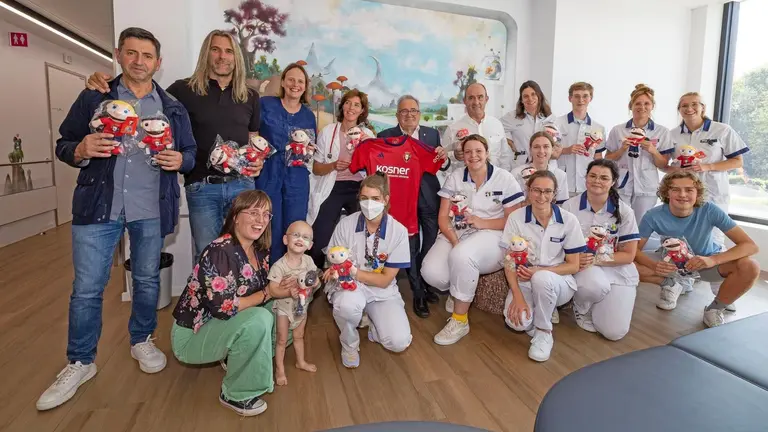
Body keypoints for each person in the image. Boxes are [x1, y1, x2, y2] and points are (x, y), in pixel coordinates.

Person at [37, 27, 196, 411]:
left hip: (151, 210)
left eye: (147, 55)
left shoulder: (171, 107)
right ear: (118, 55)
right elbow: (64, 143)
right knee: (88, 288)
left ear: (158, 63)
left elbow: (190, 153)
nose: (139, 61)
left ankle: (141, 339)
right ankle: (80, 362)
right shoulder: (96, 95)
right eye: (131, 53)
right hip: (98, 207)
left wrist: (181, 161)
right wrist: (80, 149)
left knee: (145, 280)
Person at [86, 30, 263, 262]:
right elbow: (143, 99)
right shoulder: (182, 90)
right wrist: (104, 82)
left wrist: (256, 160)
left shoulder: (249, 95)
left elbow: (254, 139)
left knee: (245, 252)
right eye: (216, 49)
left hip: (243, 187)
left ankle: (243, 299)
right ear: (206, 54)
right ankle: (207, 299)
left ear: (236, 57)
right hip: (202, 188)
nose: (222, 56)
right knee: (206, 256)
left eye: (229, 51)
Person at [171, 190, 294, 416]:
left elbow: (258, 292)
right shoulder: (220, 251)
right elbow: (224, 307)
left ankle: (236, 357)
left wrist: (286, 287)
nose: (261, 220)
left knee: (285, 312)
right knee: (261, 318)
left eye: (266, 214)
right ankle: (235, 394)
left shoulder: (259, 250)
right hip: (193, 334)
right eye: (254, 212)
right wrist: (269, 292)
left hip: (220, 324)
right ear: (236, 216)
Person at [421, 134, 525, 345]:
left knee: (463, 256)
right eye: (468, 152)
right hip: (457, 233)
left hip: (492, 234)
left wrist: (482, 222)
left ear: (487, 153)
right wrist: (454, 241)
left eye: (478, 151)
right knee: (431, 273)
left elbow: (513, 221)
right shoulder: (456, 177)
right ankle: (458, 291)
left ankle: (460, 320)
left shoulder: (504, 178)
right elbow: (443, 218)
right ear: (463, 156)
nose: (473, 155)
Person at [634, 171, 760, 327]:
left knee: (750, 266)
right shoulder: (653, 215)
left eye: (689, 190)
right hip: (672, 264)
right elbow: (633, 250)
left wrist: (712, 260)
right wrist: (654, 266)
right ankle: (670, 284)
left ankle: (715, 309)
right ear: (667, 192)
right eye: (675, 189)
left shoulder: (709, 210)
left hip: (707, 263)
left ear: (697, 193)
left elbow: (750, 245)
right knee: (627, 265)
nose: (683, 195)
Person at [348, 133, 445, 317]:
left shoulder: (415, 147)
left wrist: (443, 153)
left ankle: (418, 295)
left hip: (407, 220)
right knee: (370, 258)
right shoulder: (369, 147)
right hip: (376, 218)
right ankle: (365, 302)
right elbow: (354, 166)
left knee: (412, 261)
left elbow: (436, 163)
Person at [323, 173, 413, 368]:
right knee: (347, 306)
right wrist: (336, 271)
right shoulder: (346, 225)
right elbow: (332, 262)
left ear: (386, 199)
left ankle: (375, 323)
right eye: (364, 198)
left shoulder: (399, 232)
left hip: (381, 289)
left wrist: (353, 271)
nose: (369, 204)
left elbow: (384, 280)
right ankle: (349, 344)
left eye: (375, 199)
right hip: (350, 286)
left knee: (399, 342)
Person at [501, 171, 585, 362]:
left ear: (555, 194)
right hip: (524, 282)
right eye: (536, 190)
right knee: (518, 322)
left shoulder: (569, 220)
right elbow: (508, 261)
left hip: (558, 281)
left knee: (542, 278)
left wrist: (541, 271)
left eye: (547, 191)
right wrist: (517, 296)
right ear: (528, 191)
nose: (541, 196)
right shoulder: (515, 217)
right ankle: (538, 314)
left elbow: (573, 266)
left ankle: (544, 331)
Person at [377, 95, 448, 316]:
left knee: (430, 242)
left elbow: (441, 165)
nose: (409, 114)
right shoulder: (385, 136)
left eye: (414, 110)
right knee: (409, 246)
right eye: (404, 111)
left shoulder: (432, 134)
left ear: (419, 113)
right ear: (397, 114)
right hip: (401, 201)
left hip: (429, 197)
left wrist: (443, 158)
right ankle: (417, 292)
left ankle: (426, 282)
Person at [562, 160, 640, 340]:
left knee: (614, 333)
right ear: (586, 178)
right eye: (593, 176)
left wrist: (596, 258)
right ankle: (581, 306)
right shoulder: (569, 207)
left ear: (613, 182)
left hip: (616, 267)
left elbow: (629, 255)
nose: (597, 181)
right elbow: (560, 245)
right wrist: (578, 259)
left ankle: (597, 304)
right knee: (595, 286)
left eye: (604, 178)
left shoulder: (625, 211)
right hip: (584, 268)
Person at [660, 92, 749, 246]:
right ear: (679, 109)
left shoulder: (722, 130)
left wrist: (708, 166)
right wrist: (676, 170)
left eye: (694, 104)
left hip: (712, 192)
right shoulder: (672, 134)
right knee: (677, 237)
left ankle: (713, 268)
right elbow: (664, 165)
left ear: (703, 107)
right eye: (684, 105)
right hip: (682, 194)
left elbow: (737, 162)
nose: (689, 108)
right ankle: (677, 268)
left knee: (714, 237)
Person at [257, 63, 317, 262]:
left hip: (297, 178)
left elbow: (309, 146)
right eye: (291, 79)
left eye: (300, 81)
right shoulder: (265, 105)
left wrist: (309, 149)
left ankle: (292, 279)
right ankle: (268, 279)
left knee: (295, 229)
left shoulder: (308, 116)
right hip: (268, 174)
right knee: (267, 225)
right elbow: (252, 135)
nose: (295, 85)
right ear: (283, 82)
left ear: (305, 86)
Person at [308, 89, 374, 268]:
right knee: (320, 231)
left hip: (358, 188)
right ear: (342, 106)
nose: (351, 108)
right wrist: (333, 165)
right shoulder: (328, 132)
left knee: (360, 232)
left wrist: (366, 149)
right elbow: (316, 168)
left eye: (357, 105)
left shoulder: (367, 135)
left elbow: (373, 171)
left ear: (362, 111)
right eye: (348, 103)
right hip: (333, 185)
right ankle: (314, 277)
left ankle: (356, 274)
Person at [602, 84, 672, 221]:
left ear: (652, 106)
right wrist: (622, 149)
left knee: (641, 224)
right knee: (619, 221)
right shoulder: (618, 130)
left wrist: (653, 151)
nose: (642, 107)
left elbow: (663, 164)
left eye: (647, 103)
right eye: (638, 103)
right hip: (622, 185)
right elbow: (608, 159)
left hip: (646, 186)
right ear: (631, 106)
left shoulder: (662, 131)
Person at [269, 220, 320, 386]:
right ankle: (280, 370)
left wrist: (314, 284)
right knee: (282, 340)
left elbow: (316, 282)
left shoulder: (309, 262)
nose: (300, 239)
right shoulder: (279, 266)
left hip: (301, 308)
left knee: (299, 336)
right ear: (285, 240)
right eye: (296, 235)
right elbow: (273, 290)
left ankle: (301, 362)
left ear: (310, 245)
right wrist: (287, 292)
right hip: (284, 309)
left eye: (305, 237)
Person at [554, 82, 606, 197]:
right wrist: (567, 150)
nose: (580, 100)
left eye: (585, 96)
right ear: (570, 98)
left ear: (590, 98)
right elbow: (549, 153)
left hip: (586, 184)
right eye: (576, 96)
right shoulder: (556, 124)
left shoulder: (599, 128)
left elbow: (597, 158)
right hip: (562, 182)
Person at [442, 83, 508, 172]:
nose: (476, 102)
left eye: (480, 97)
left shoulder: (497, 124)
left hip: (494, 182)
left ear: (486, 99)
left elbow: (505, 156)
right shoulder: (452, 129)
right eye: (471, 98)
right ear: (465, 101)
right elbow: (442, 161)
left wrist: (503, 179)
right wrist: (454, 156)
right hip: (464, 183)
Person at [501, 80, 555, 171]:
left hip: (546, 165)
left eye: (533, 94)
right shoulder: (512, 117)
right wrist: (507, 140)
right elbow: (495, 128)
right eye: (525, 96)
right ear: (521, 100)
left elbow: (556, 142)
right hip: (521, 166)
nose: (530, 99)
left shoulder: (550, 118)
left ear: (539, 96)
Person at [510, 132, 569, 205]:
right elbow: (512, 207)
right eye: (536, 147)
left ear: (552, 149)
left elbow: (561, 206)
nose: (541, 151)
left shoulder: (560, 175)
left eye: (546, 146)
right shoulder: (516, 173)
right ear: (530, 150)